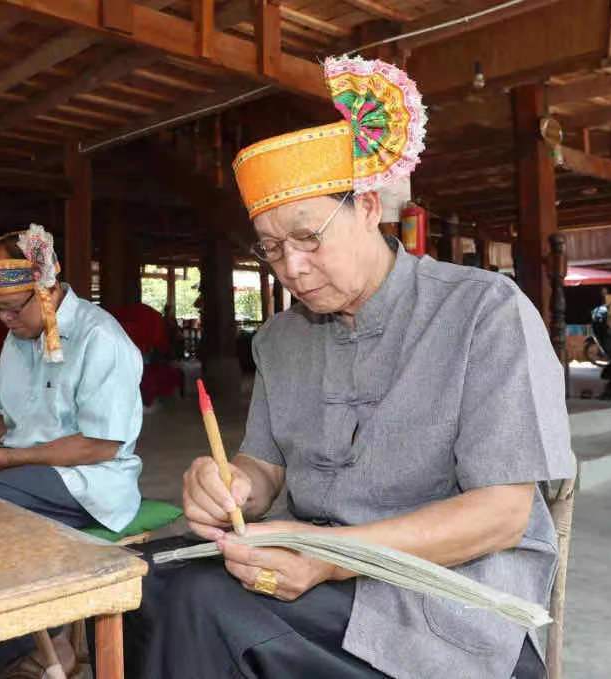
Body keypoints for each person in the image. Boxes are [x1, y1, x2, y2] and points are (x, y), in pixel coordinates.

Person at [128, 57, 575, 679]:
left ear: (368, 206)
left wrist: (334, 557)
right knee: (142, 579)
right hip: (320, 571)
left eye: (308, 236)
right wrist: (232, 484)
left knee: (202, 606)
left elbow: (502, 513)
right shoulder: (281, 338)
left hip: (448, 599)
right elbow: (265, 466)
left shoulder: (482, 310)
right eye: (272, 248)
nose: (292, 268)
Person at [0, 224, 144, 675]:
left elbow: (100, 445)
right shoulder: (17, 338)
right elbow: (4, 417)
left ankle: (31, 648)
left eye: (11, 309)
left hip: (89, 482)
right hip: (19, 471)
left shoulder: (101, 339)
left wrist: (7, 458)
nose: (4, 320)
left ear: (47, 287)